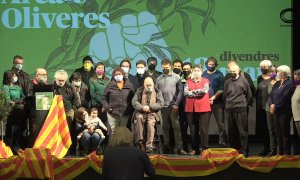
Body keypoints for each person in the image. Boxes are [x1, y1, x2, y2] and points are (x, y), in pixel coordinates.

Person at [156, 59, 187, 155]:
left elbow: (181, 92)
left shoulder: (177, 77)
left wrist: (176, 104)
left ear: (170, 66)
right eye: (163, 67)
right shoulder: (158, 78)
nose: (165, 69)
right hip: (162, 107)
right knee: (165, 128)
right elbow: (156, 92)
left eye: (167, 67)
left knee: (176, 127)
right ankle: (166, 147)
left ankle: (179, 148)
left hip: (173, 107)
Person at [224, 64, 252, 156]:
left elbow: (249, 95)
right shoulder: (227, 81)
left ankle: (244, 151)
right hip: (229, 109)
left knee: (242, 131)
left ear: (238, 71)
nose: (232, 73)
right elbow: (225, 95)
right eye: (230, 71)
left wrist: (243, 104)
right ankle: (232, 151)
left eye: (234, 71)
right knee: (231, 131)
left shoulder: (244, 81)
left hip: (241, 109)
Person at [132, 77, 164, 153]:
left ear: (153, 84)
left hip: (153, 113)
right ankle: (140, 142)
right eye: (147, 85)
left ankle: (149, 145)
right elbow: (134, 101)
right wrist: (142, 107)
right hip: (141, 112)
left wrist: (150, 107)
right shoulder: (139, 90)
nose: (149, 87)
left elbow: (161, 103)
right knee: (139, 118)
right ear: (144, 85)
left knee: (150, 123)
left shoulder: (157, 91)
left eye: (150, 85)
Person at [184, 64, 211, 155]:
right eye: (194, 71)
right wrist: (197, 92)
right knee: (193, 129)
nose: (196, 72)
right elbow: (186, 93)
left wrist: (192, 93)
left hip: (203, 107)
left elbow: (204, 91)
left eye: (198, 71)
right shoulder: (188, 81)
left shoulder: (205, 80)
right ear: (192, 72)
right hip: (191, 108)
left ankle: (204, 149)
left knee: (204, 129)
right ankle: (195, 148)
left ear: (201, 72)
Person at [268, 65, 295, 155]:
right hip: (275, 111)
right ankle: (280, 153)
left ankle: (287, 154)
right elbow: (270, 95)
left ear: (284, 73)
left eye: (279, 71)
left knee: (284, 133)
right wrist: (271, 104)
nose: (277, 73)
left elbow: (285, 97)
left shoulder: (290, 84)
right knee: (278, 133)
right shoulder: (277, 83)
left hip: (284, 112)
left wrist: (275, 106)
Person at [53, 70, 80, 155]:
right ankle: (56, 149)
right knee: (56, 131)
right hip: (56, 112)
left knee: (66, 131)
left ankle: (66, 150)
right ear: (55, 79)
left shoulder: (70, 86)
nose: (61, 82)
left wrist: (73, 108)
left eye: (63, 80)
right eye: (59, 80)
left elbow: (76, 98)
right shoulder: (52, 86)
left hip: (68, 111)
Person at [202, 57, 227, 147]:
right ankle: (204, 143)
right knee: (205, 125)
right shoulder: (203, 74)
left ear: (215, 65)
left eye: (213, 65)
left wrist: (213, 97)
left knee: (221, 124)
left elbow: (222, 89)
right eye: (209, 65)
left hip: (217, 103)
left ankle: (222, 142)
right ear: (206, 65)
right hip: (205, 103)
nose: (211, 66)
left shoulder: (219, 74)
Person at [101, 67, 135, 134]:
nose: (118, 76)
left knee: (122, 132)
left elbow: (133, 98)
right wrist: (107, 108)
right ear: (113, 76)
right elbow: (104, 98)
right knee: (113, 132)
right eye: (116, 75)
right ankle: (113, 144)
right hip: (112, 113)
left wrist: (129, 109)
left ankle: (121, 144)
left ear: (123, 74)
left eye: (119, 74)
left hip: (125, 114)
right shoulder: (110, 85)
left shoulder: (129, 85)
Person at [2, 70, 26, 154]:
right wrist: (18, 102)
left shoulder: (17, 87)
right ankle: (9, 149)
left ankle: (17, 147)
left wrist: (17, 101)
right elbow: (8, 100)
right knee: (11, 131)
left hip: (20, 111)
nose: (15, 77)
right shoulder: (5, 87)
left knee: (20, 130)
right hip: (12, 112)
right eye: (13, 75)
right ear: (9, 77)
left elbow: (23, 97)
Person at [255, 60, 273, 156]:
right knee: (263, 130)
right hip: (260, 107)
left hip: (270, 107)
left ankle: (272, 149)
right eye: (261, 67)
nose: (263, 68)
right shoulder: (259, 78)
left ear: (269, 67)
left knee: (271, 129)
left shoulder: (273, 78)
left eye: (265, 67)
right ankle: (266, 148)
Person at [179, 62, 193, 152]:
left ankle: (194, 147)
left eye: (188, 69)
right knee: (183, 128)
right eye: (184, 69)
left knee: (193, 128)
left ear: (191, 69)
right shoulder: (179, 79)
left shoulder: (195, 79)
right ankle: (184, 147)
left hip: (192, 107)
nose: (186, 70)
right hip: (182, 107)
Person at [265, 65, 278, 156]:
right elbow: (269, 96)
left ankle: (279, 150)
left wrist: (275, 105)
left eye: (273, 72)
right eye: (269, 72)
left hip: (277, 108)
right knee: (271, 130)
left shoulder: (280, 82)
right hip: (268, 108)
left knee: (278, 129)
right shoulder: (269, 82)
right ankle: (272, 149)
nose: (271, 73)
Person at [292, 69, 300, 138]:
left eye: (297, 78)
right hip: (296, 117)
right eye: (294, 78)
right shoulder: (296, 87)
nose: (295, 79)